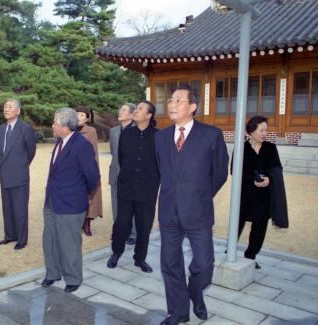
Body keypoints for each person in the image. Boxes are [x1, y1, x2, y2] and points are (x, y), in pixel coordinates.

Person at [155, 84, 228, 325]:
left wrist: (200, 194)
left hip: (198, 210)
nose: (172, 104)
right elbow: (162, 171)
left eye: (178, 100)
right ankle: (178, 312)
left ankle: (195, 293)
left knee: (204, 264)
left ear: (193, 106)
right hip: (168, 211)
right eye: (171, 100)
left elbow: (219, 173)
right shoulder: (161, 137)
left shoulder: (211, 134)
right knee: (169, 264)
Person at [41, 108, 100, 293]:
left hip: (71, 203)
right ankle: (52, 273)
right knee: (49, 239)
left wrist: (80, 194)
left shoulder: (81, 145)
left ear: (65, 126)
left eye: (55, 122)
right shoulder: (60, 141)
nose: (52, 125)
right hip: (51, 200)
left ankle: (73, 277)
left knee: (69, 242)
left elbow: (93, 176)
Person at [107, 101, 160, 273]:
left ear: (149, 115)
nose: (135, 111)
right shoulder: (126, 134)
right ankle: (116, 252)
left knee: (144, 226)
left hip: (147, 189)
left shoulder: (159, 136)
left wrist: (153, 182)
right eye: (135, 108)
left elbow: (161, 163)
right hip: (126, 187)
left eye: (139, 109)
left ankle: (140, 258)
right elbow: (121, 159)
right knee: (121, 223)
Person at [234, 116, 288, 269]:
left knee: (259, 228)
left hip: (264, 196)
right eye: (261, 130)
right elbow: (234, 171)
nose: (265, 133)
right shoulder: (241, 148)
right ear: (251, 131)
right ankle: (230, 250)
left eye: (266, 130)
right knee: (237, 224)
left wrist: (269, 179)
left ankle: (250, 255)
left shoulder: (270, 148)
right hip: (244, 195)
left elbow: (277, 169)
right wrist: (252, 179)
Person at [0, 99, 37, 250]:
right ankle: (10, 235)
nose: (6, 109)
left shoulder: (25, 128)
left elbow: (31, 150)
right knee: (7, 207)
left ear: (18, 111)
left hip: (19, 175)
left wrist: (22, 165)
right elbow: (1, 152)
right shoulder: (1, 128)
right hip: (4, 173)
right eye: (5, 106)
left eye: (10, 107)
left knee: (20, 209)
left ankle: (21, 239)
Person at [109, 103, 137, 245]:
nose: (119, 111)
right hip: (115, 174)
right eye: (120, 109)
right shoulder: (113, 131)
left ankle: (132, 233)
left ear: (132, 115)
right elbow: (113, 153)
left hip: (132, 176)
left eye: (124, 110)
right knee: (116, 204)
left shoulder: (138, 130)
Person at [75, 105, 102, 236]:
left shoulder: (91, 131)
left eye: (82, 115)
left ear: (86, 118)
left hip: (86, 167)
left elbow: (94, 151)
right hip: (72, 170)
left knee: (88, 196)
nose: (79, 117)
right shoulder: (69, 128)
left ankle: (87, 224)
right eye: (77, 114)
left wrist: (93, 169)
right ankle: (76, 222)